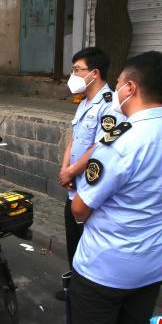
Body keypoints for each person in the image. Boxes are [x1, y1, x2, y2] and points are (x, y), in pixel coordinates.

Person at [66, 51, 162, 324]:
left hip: (104, 268)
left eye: (120, 82)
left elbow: (80, 209)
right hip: (152, 265)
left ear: (131, 88)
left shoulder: (120, 142)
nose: (117, 90)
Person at [55, 47, 123, 300]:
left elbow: (101, 146)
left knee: (90, 243)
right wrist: (66, 169)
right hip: (74, 186)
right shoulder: (84, 102)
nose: (72, 75)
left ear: (94, 73)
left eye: (77, 70)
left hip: (91, 188)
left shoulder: (110, 105)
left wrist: (73, 170)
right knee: (74, 239)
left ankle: (88, 293)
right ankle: (75, 287)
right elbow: (75, 139)